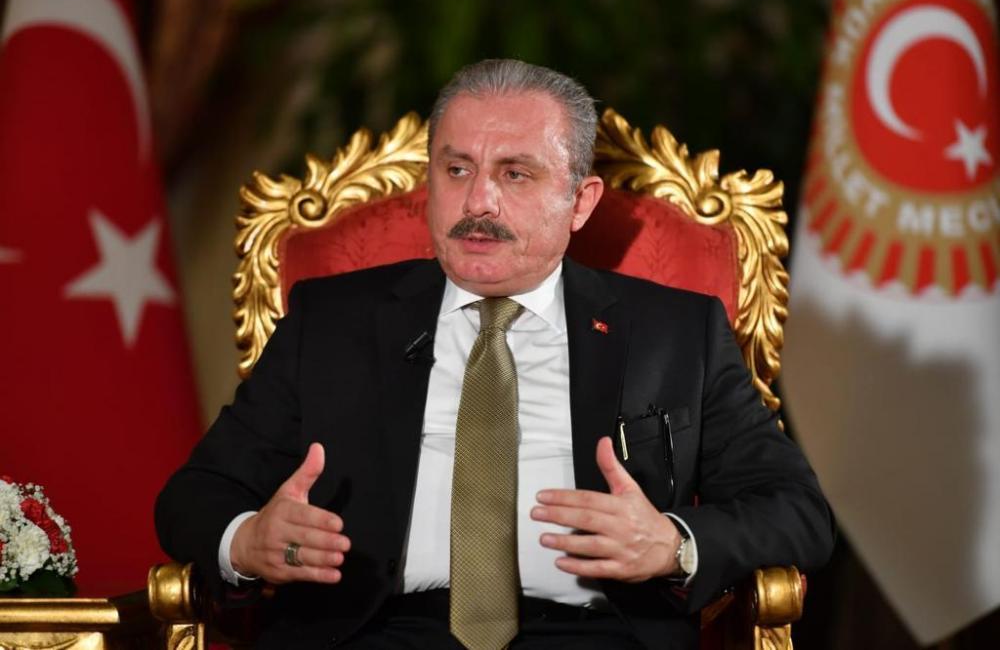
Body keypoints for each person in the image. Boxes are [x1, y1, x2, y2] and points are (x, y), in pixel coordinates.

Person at [156, 59, 834, 650]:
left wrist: (671, 543)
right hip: (368, 630)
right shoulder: (334, 320)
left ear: (580, 202)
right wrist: (246, 541)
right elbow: (194, 495)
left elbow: (797, 510)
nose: (478, 201)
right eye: (457, 170)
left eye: (516, 174)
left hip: (595, 635)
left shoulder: (674, 331)